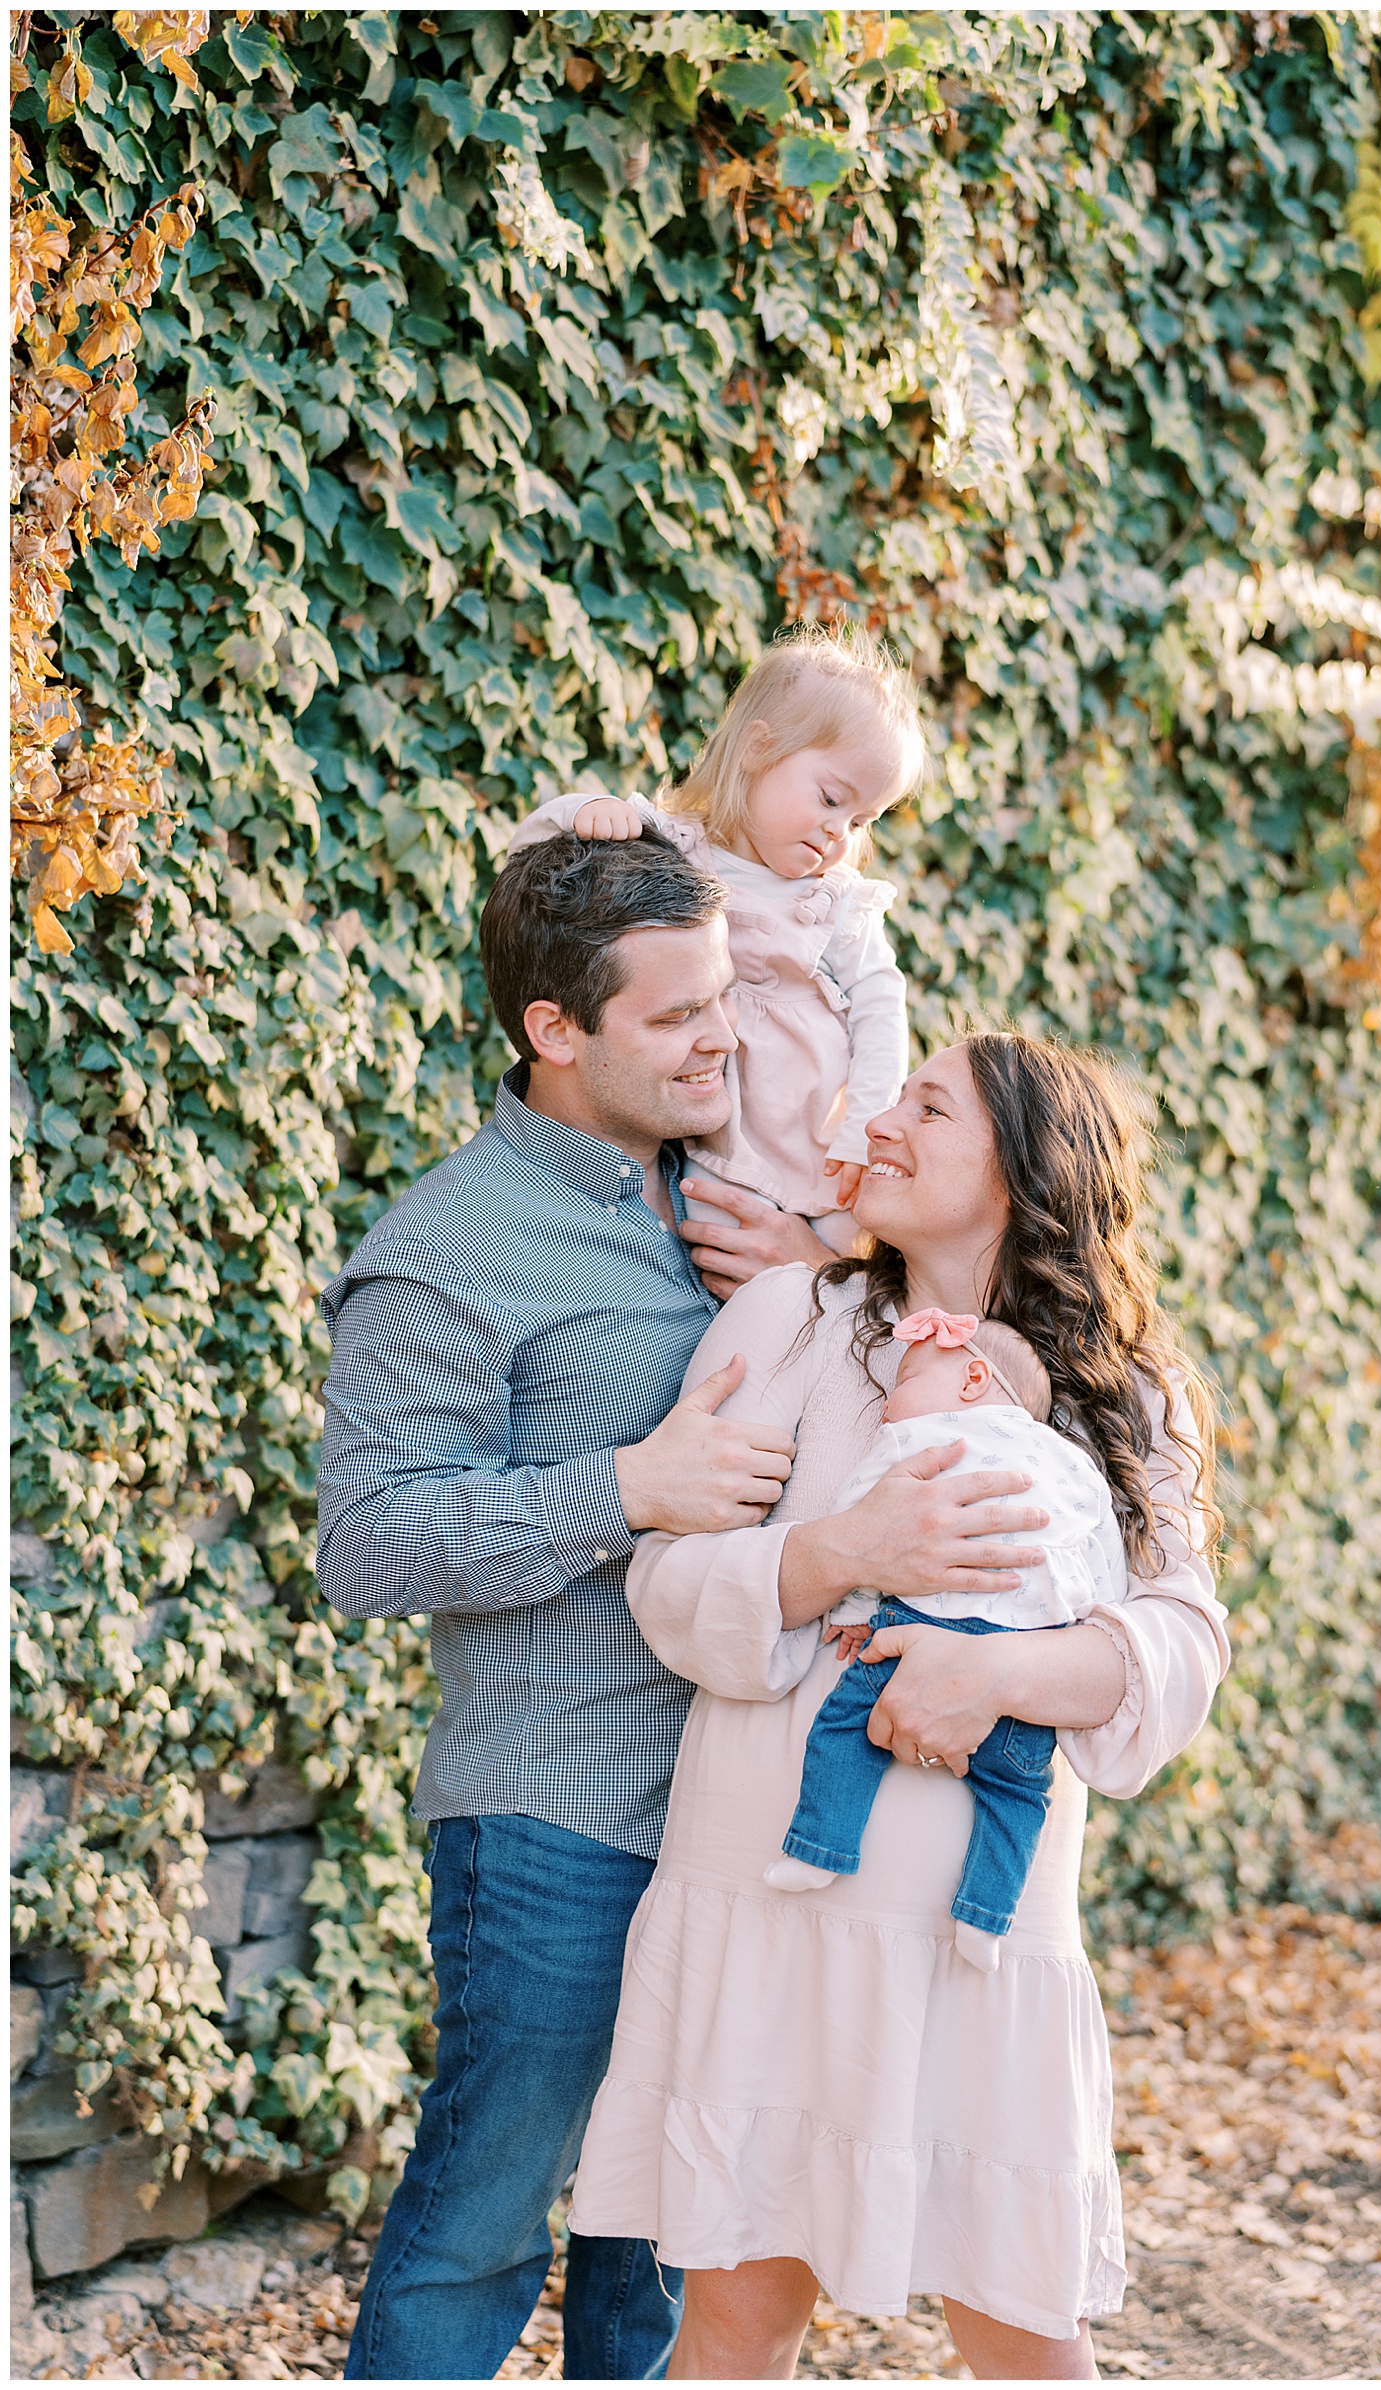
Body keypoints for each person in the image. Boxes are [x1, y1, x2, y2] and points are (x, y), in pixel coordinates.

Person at [315, 832, 1046, 2382]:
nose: (725, 1037)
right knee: (481, 2230)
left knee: (664, 2245)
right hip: (560, 1818)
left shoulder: (756, 1210)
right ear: (554, 1030)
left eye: (728, 996)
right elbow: (367, 1548)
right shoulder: (444, 1252)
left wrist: (828, 1262)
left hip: (755, 1829)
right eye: (678, 1016)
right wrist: (624, 1486)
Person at [566, 1032, 1231, 2382]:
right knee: (737, 2318)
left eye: (929, 1104)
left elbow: (1178, 1647)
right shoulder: (787, 1321)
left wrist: (996, 1672)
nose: (883, 1117)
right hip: (771, 1901)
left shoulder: (1128, 1399)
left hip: (977, 1937)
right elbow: (672, 1581)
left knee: (1023, 2330)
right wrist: (848, 1550)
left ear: (1024, 1169)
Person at [508, 622, 924, 1260]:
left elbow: (880, 1014)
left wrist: (862, 1130)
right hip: (712, 1143)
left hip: (815, 1143)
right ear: (759, 749)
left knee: (848, 1282)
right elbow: (527, 868)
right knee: (714, 1267)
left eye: (861, 820)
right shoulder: (676, 848)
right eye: (831, 798)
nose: (840, 832)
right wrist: (584, 810)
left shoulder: (835, 902)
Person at [765, 1306, 1129, 1972]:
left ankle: (818, 1848)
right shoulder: (1073, 1464)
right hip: (1029, 1649)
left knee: (845, 1729)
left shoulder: (919, 1443)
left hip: (920, 1631)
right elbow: (1101, 1550)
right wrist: (1081, 1622)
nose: (886, 1406)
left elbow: (866, 1523)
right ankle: (986, 1919)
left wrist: (852, 1607)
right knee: (1019, 1795)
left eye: (902, 1380)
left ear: (970, 1380)